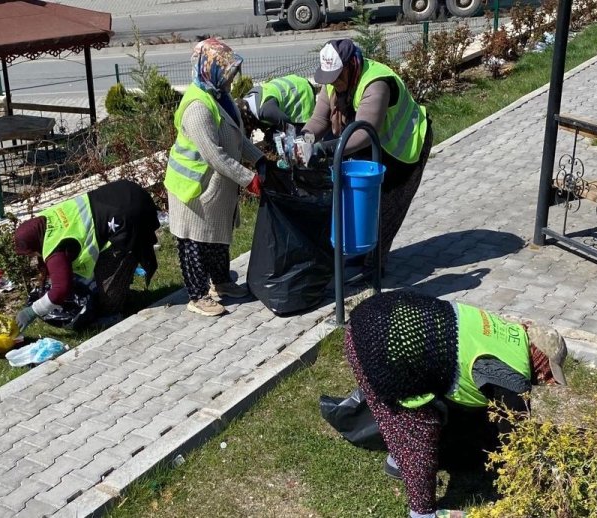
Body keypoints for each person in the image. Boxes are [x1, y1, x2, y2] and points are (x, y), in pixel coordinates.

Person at [343, 290, 568, 518]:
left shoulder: (506, 331)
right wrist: (531, 479)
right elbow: (515, 440)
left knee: (393, 413)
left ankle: (398, 461)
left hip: (361, 328)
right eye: (549, 371)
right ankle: (422, 513)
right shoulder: (512, 377)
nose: (547, 380)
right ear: (539, 357)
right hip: (383, 352)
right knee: (419, 427)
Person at [303, 39, 433, 275]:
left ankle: (374, 269)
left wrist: (325, 149)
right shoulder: (333, 82)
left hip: (405, 150)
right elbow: (320, 120)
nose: (333, 83)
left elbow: (364, 132)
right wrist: (303, 140)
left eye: (337, 77)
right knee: (360, 203)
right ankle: (359, 254)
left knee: (386, 208)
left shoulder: (376, 83)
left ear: (351, 65)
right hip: (375, 150)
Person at [164, 37, 268, 317]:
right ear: (210, 69)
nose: (231, 79)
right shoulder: (197, 107)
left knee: (218, 237)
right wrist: (250, 179)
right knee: (195, 242)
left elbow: (235, 135)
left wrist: (258, 157)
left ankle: (220, 282)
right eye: (227, 72)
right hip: (192, 188)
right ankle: (197, 296)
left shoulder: (218, 96)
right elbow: (215, 155)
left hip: (213, 187)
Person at [13, 179, 160, 331]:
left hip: (127, 216)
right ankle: (123, 294)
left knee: (110, 282)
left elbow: (60, 290)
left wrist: (32, 312)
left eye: (30, 253)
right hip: (122, 193)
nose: (32, 256)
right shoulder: (44, 219)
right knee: (102, 273)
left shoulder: (55, 246)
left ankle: (114, 314)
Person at [238, 74, 317, 143]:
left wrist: (274, 132)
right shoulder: (248, 101)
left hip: (302, 91)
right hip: (294, 83)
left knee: (302, 135)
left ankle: (318, 149)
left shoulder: (265, 110)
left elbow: (288, 126)